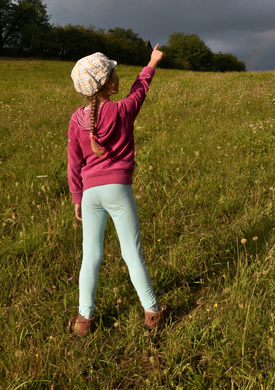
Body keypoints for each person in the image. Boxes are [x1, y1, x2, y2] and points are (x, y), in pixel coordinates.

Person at [66, 46, 168, 335]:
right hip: (118, 190)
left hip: (90, 194)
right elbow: (140, 89)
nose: (117, 76)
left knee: (91, 256)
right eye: (114, 73)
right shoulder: (122, 110)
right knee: (131, 253)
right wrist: (151, 62)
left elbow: (74, 163)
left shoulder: (76, 119)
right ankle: (152, 313)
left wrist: (77, 196)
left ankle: (84, 320)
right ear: (108, 83)